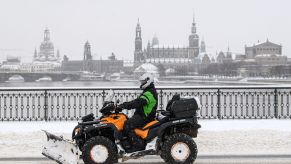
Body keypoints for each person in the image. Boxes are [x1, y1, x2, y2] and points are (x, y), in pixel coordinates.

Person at [118, 73, 158, 152]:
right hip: (142, 115)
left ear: (148, 81)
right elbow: (136, 102)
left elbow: (137, 102)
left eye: (143, 82)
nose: (141, 83)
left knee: (127, 124)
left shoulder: (150, 93)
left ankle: (137, 145)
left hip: (145, 117)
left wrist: (123, 106)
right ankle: (127, 142)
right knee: (125, 120)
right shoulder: (148, 91)